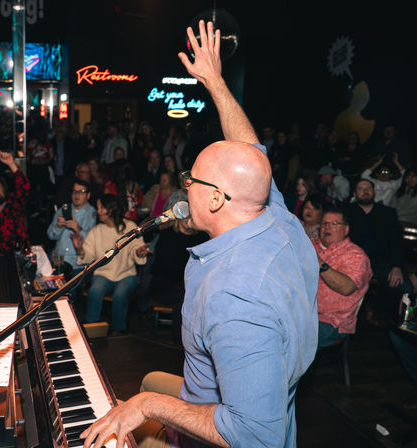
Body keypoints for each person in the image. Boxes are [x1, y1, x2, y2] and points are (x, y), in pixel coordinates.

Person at [81, 20, 318, 448]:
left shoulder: (236, 298)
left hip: (215, 434)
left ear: (214, 201)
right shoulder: (276, 218)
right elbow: (250, 154)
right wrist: (215, 82)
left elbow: (252, 434)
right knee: (144, 386)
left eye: (193, 178)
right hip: (226, 399)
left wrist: (150, 405)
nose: (184, 183)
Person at [72, 194, 149, 334]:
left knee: (119, 295)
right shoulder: (96, 231)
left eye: (101, 207)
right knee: (94, 291)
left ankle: (118, 331)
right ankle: (91, 329)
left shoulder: (130, 226)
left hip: (127, 274)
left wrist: (139, 252)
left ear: (111, 210)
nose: (98, 211)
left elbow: (135, 248)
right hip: (104, 274)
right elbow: (88, 256)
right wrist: (79, 249)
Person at [346, 179, 413, 322]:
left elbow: (397, 242)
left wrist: (396, 266)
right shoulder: (346, 211)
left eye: (368, 188)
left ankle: (374, 307)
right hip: (352, 260)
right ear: (355, 194)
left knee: (405, 286)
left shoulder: (387, 213)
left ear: (374, 192)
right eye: (361, 189)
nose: (365, 191)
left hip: (379, 260)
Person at [311, 208, 372, 349]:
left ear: (346, 229)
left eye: (334, 223)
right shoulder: (310, 244)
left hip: (330, 321)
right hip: (297, 312)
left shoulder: (356, 255)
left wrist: (317, 261)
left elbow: (347, 287)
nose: (327, 227)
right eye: (324, 223)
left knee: (285, 343)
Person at [46, 179, 97, 275]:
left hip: (78, 264)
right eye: (74, 191)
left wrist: (78, 229)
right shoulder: (63, 209)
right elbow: (50, 236)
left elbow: (95, 243)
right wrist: (58, 227)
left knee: (70, 288)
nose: (76, 195)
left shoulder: (93, 214)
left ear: (88, 195)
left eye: (81, 192)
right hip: (59, 259)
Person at [0, 149, 30, 254]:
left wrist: (11, 164)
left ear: (4, 189)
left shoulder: (15, 204)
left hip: (21, 258)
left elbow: (24, 186)